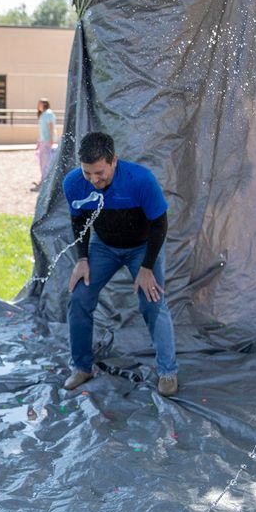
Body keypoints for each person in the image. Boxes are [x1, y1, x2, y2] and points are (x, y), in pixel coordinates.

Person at [63, 131, 179, 396]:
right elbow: (78, 220)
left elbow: (159, 224)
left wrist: (147, 268)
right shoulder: (73, 183)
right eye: (87, 173)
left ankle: (168, 371)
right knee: (79, 297)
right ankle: (81, 366)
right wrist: (82, 259)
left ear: (113, 161)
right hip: (103, 246)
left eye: (99, 173)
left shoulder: (141, 179)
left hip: (142, 247)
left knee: (152, 301)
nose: (94, 180)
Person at [35, 98, 57, 189]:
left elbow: (51, 127)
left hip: (47, 140)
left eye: (39, 103)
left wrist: (51, 139)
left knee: (46, 161)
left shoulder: (48, 113)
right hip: (43, 140)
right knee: (42, 161)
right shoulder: (43, 114)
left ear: (44, 104)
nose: (37, 105)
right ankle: (43, 179)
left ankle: (46, 181)